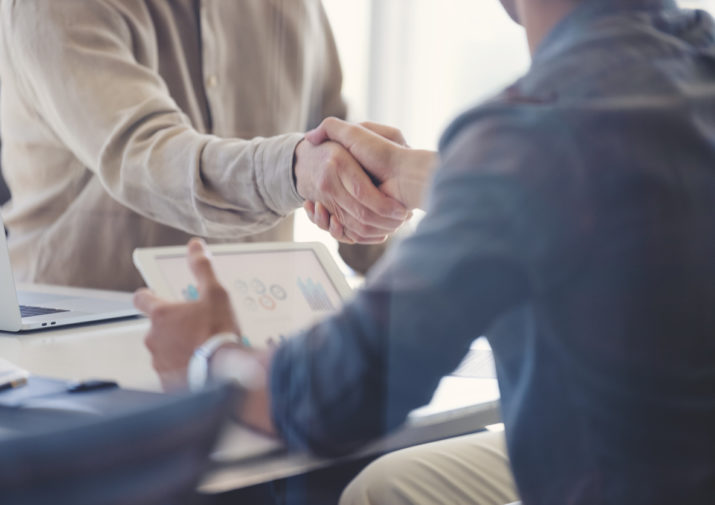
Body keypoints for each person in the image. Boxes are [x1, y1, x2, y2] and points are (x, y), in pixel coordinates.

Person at [135, 0, 715, 504]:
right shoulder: (693, 64)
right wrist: (419, 174)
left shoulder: (529, 131)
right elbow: (595, 184)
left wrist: (209, 354)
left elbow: (340, 393)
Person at [0, 0, 408, 291]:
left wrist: (426, 279)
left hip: (263, 331)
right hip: (79, 342)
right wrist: (297, 169)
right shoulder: (51, 7)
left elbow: (343, 154)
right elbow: (146, 153)